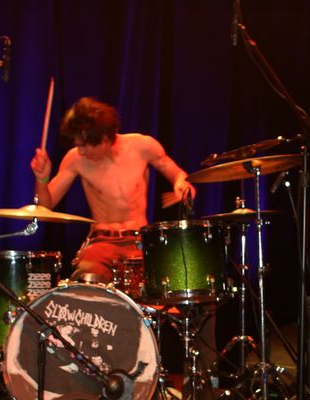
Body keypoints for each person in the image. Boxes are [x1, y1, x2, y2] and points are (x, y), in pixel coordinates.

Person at [30, 97, 196, 282]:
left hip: (138, 241)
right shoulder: (75, 159)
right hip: (101, 242)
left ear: (105, 139)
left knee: (157, 284)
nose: (81, 151)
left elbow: (178, 174)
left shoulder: (143, 146)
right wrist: (41, 178)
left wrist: (181, 184)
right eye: (78, 145)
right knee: (86, 283)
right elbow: (45, 206)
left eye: (84, 145)